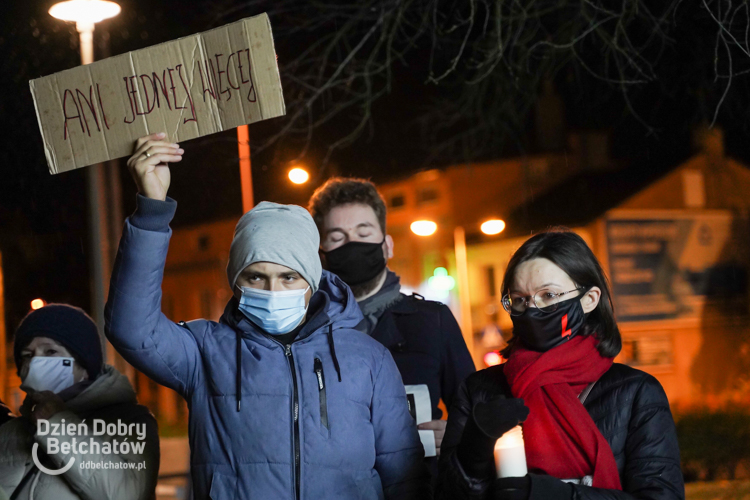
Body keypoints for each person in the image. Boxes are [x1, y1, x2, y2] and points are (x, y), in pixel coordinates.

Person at [105, 133, 429, 500]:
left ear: (311, 280)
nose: (273, 291)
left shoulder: (368, 358)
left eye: (289, 277)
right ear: (235, 281)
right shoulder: (205, 352)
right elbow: (131, 328)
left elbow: (403, 473)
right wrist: (152, 209)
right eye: (255, 276)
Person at [437, 230, 684, 500]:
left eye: (549, 296)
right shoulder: (479, 390)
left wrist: (558, 495)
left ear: (589, 299)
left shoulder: (637, 393)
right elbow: (445, 495)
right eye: (519, 300)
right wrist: (474, 447)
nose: (532, 310)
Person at [308, 178, 475, 464]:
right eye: (337, 237)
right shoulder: (306, 332)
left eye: (364, 232)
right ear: (321, 255)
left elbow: (476, 413)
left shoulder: (432, 321)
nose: (353, 245)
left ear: (387, 246)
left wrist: (459, 436)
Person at [0, 304, 160, 500]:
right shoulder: (9, 432)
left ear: (84, 367)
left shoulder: (129, 422)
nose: (35, 362)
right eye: (27, 355)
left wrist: (57, 424)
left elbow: (127, 495)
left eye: (50, 352)